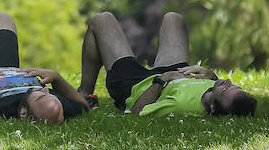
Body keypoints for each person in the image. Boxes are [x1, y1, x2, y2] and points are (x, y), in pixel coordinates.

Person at [78, 10, 257, 119]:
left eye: (225, 89)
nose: (227, 82)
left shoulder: (180, 105)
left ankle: (84, 95)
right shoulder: (216, 90)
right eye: (235, 86)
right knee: (174, 18)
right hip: (174, 73)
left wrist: (161, 80)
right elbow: (220, 85)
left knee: (101, 19)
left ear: (211, 108)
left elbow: (137, 112)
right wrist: (210, 75)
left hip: (136, 84)